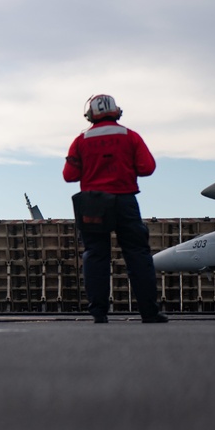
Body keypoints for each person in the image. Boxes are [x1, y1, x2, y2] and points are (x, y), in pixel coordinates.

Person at [63, 95, 168, 324]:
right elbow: (147, 168)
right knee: (138, 255)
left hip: (93, 203)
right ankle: (149, 312)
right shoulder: (130, 136)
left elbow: (69, 175)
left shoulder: (80, 140)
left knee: (95, 255)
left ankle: (99, 313)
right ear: (117, 111)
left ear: (90, 114)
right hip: (124, 200)